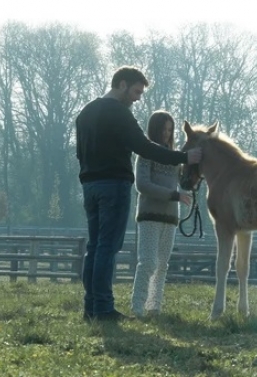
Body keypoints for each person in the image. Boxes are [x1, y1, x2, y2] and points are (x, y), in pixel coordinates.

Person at [76, 66, 201, 322]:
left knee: (95, 246)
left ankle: (91, 307)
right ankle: (104, 308)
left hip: (90, 186)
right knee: (107, 248)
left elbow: (80, 152)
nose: (137, 98)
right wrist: (184, 157)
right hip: (114, 186)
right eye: (135, 91)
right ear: (121, 84)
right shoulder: (119, 114)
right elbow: (145, 147)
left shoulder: (86, 113)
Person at [131, 110, 191, 318]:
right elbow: (143, 184)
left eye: (169, 130)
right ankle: (137, 307)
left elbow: (183, 182)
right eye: (163, 129)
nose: (166, 134)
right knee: (148, 262)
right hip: (149, 214)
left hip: (170, 218)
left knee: (162, 265)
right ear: (155, 130)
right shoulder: (146, 154)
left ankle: (154, 306)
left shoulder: (174, 158)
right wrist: (173, 195)